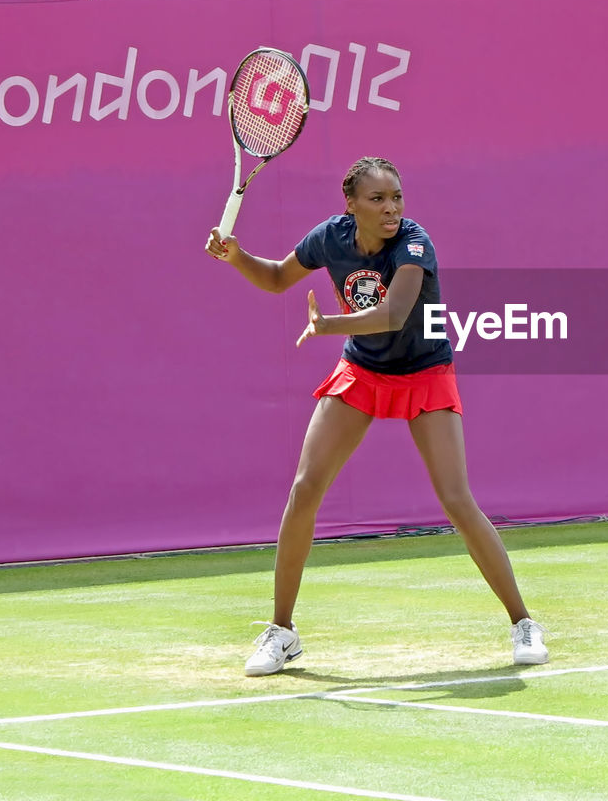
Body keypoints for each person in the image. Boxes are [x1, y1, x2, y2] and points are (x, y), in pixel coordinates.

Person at [205, 157, 547, 676]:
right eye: (378, 199)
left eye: (397, 198)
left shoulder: (414, 243)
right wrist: (235, 256)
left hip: (424, 369)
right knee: (305, 488)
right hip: (362, 371)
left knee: (456, 499)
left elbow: (394, 314)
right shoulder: (330, 238)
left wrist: (327, 325)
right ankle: (282, 633)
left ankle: (523, 622)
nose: (391, 209)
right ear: (351, 204)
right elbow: (276, 278)